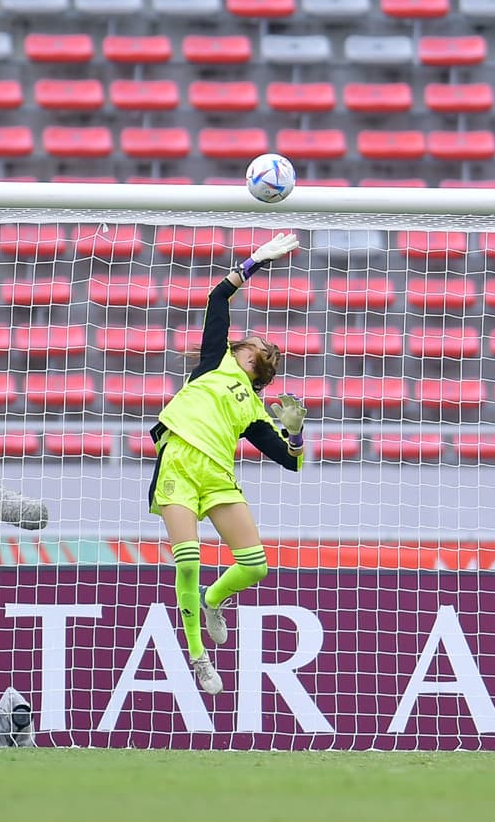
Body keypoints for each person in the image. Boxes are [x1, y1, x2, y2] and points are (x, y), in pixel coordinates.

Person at [149, 232, 307, 695]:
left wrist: (295, 432)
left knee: (255, 565)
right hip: (178, 464)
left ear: (255, 367)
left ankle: (213, 600)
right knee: (188, 560)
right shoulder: (214, 362)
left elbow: (291, 461)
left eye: (257, 349)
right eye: (251, 342)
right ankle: (198, 656)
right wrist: (257, 258)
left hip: (217, 477)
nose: (251, 344)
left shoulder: (255, 410)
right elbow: (219, 295)